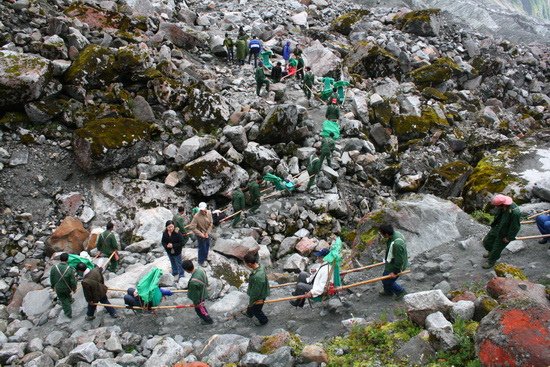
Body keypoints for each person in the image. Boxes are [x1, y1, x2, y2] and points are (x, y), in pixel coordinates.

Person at [482, 194, 521, 269]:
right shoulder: (503, 207)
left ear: (503, 204)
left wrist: (509, 238)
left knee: (497, 248)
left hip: (505, 232)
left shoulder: (515, 213)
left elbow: (515, 227)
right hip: (498, 227)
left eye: (497, 206)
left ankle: (491, 261)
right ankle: (491, 252)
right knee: (487, 241)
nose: (496, 207)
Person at [378, 224, 408, 299]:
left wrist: (395, 272)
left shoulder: (397, 244)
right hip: (391, 260)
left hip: (396, 265)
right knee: (385, 278)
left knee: (386, 281)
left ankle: (401, 291)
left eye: (382, 234)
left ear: (387, 234)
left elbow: (399, 260)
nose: (381, 235)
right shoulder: (395, 234)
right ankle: (388, 291)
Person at [183, 260, 213, 324]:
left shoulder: (193, 282)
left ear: (186, 270)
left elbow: (195, 295)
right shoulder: (200, 270)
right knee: (201, 307)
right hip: (203, 290)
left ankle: (208, 320)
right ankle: (205, 317)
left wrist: (196, 303)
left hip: (200, 296)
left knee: (199, 309)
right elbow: (206, 280)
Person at [243, 252, 269, 325]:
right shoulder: (260, 266)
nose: (245, 265)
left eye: (246, 263)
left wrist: (252, 299)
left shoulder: (257, 277)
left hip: (260, 296)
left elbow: (256, 292)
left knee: (256, 309)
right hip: (262, 290)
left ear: (250, 264)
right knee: (252, 306)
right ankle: (249, 314)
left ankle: (264, 321)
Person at [50, 253, 77, 318]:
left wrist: (53, 286)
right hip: (67, 288)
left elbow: (52, 278)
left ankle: (68, 311)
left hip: (58, 288)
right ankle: (69, 309)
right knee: (66, 297)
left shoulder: (54, 268)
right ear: (67, 259)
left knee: (63, 299)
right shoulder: (70, 269)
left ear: (60, 259)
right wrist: (74, 288)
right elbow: (73, 281)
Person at [189, 202, 213, 267]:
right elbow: (192, 227)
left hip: (207, 233)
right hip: (200, 234)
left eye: (203, 209)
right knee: (201, 247)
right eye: (201, 210)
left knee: (207, 245)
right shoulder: (196, 216)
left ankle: (205, 257)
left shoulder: (209, 213)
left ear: (205, 208)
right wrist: (201, 234)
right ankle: (201, 261)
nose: (202, 210)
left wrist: (207, 233)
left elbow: (211, 223)